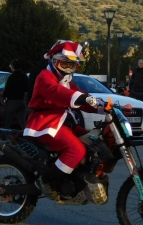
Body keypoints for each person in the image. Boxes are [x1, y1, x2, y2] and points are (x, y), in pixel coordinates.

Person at [24, 40, 102, 197]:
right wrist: (81, 98)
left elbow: (81, 96)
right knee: (76, 150)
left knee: (93, 141)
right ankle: (46, 181)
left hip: (64, 121)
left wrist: (104, 106)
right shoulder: (44, 76)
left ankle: (78, 178)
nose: (68, 69)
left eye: (72, 65)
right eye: (64, 64)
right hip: (46, 122)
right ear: (54, 61)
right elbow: (57, 92)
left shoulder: (67, 82)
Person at [2, 59, 29, 129]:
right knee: (23, 122)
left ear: (12, 66)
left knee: (7, 121)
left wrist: (3, 97)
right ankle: (27, 136)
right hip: (21, 101)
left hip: (12, 102)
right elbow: (27, 88)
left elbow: (6, 89)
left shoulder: (10, 77)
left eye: (10, 65)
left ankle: (5, 137)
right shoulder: (24, 76)